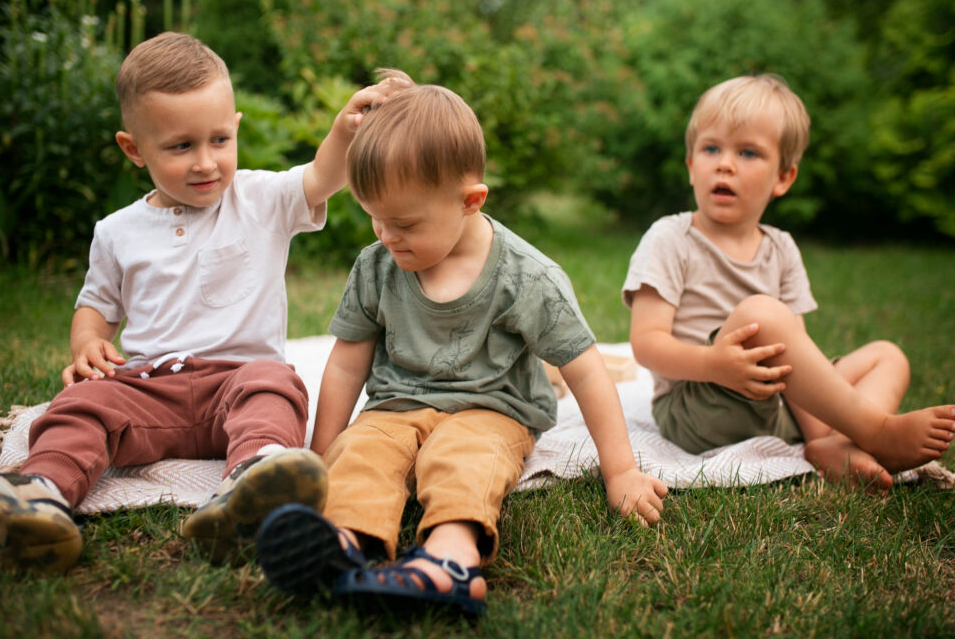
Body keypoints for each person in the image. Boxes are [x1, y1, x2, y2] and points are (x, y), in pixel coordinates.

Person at [0, 32, 403, 571]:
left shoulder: (261, 199)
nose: (206, 162)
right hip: (149, 389)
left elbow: (325, 174)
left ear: (235, 128)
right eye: (181, 146)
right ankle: (39, 495)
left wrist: (345, 129)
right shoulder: (117, 231)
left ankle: (256, 479)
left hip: (236, 382)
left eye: (219, 140)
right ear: (133, 148)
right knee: (77, 406)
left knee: (278, 385)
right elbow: (96, 303)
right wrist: (88, 341)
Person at [254, 70, 669, 617]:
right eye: (372, 217)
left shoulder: (526, 277)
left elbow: (586, 369)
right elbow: (346, 363)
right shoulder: (378, 265)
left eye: (401, 222)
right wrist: (322, 453)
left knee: (462, 458)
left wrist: (620, 470)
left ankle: (448, 562)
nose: (384, 234)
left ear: (470, 201)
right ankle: (342, 544)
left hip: (491, 410)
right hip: (396, 406)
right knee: (363, 452)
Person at [623, 74, 955, 492]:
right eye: (711, 148)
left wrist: (817, 426)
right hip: (700, 403)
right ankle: (875, 432)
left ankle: (831, 444)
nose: (725, 163)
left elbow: (796, 355)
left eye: (748, 152)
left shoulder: (781, 248)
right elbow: (646, 343)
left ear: (783, 178)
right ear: (692, 166)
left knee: (887, 356)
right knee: (760, 313)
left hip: (777, 401)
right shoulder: (670, 238)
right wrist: (715, 364)